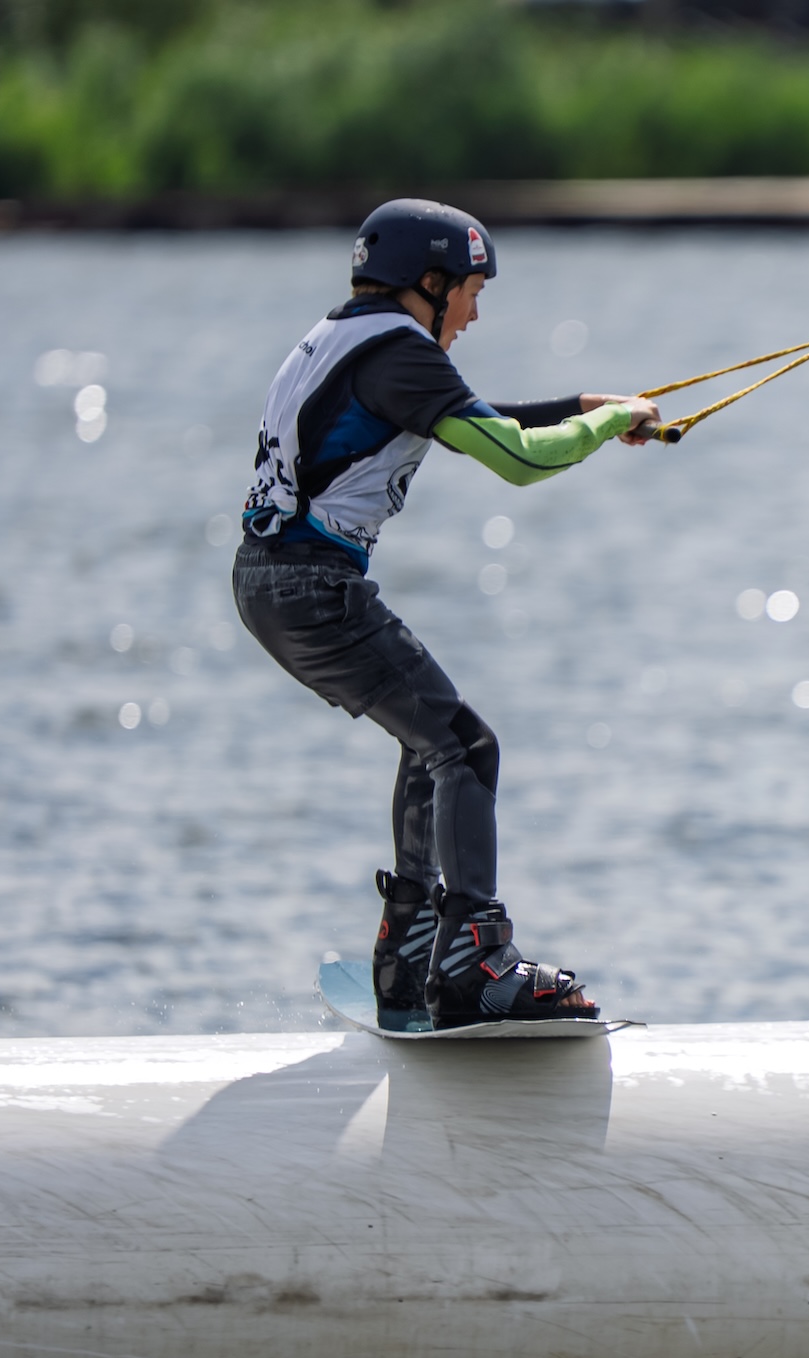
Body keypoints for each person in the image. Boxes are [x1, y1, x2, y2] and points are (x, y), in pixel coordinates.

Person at [232, 199, 661, 1029]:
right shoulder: (401, 351)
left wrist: (585, 405)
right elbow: (517, 461)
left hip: (269, 579)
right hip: (311, 587)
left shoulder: (347, 335)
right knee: (466, 748)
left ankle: (409, 956)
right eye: (471, 291)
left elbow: (476, 419)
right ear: (430, 283)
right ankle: (477, 968)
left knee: (433, 746)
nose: (474, 313)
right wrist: (610, 421)